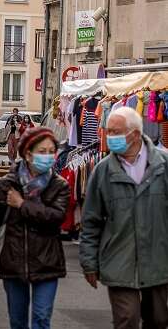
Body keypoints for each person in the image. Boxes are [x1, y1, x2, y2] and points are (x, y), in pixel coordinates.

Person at [80, 106, 168, 329]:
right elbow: (90, 220)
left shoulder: (163, 165)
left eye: (115, 132)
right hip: (119, 261)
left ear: (136, 134)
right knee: (126, 319)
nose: (109, 137)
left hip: (159, 261)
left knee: (159, 320)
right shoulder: (102, 171)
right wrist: (89, 263)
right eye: (108, 131)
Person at [0, 127, 69, 329]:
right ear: (27, 153)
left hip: (47, 261)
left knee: (41, 318)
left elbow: (56, 217)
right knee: (17, 322)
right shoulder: (7, 185)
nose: (48, 156)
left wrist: (22, 205)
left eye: (51, 152)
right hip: (14, 261)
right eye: (42, 152)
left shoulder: (59, 185)